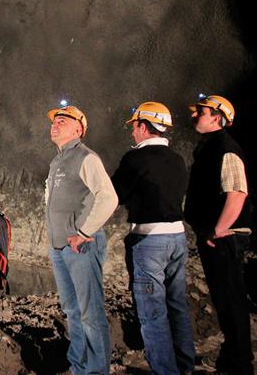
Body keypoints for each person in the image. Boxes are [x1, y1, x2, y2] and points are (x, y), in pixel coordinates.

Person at [110, 102, 195, 375]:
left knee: (152, 313)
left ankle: (165, 371)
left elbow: (115, 195)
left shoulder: (135, 159)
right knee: (177, 305)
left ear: (144, 126)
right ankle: (185, 366)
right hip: (178, 239)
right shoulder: (177, 159)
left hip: (150, 242)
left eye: (135, 127)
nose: (132, 132)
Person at [45, 103, 118, 375]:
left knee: (90, 313)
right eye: (54, 121)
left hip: (81, 247)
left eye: (63, 121)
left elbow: (108, 197)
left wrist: (84, 232)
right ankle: (79, 366)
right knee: (72, 310)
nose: (55, 124)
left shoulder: (86, 157)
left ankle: (96, 370)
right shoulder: (57, 161)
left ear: (79, 129)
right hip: (60, 247)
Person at [184, 95, 253, 375]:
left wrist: (218, 229)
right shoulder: (210, 147)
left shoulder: (225, 148)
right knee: (224, 300)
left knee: (231, 300)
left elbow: (237, 193)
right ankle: (231, 356)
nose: (195, 115)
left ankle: (240, 363)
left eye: (201, 112)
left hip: (224, 237)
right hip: (216, 236)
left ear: (217, 117)